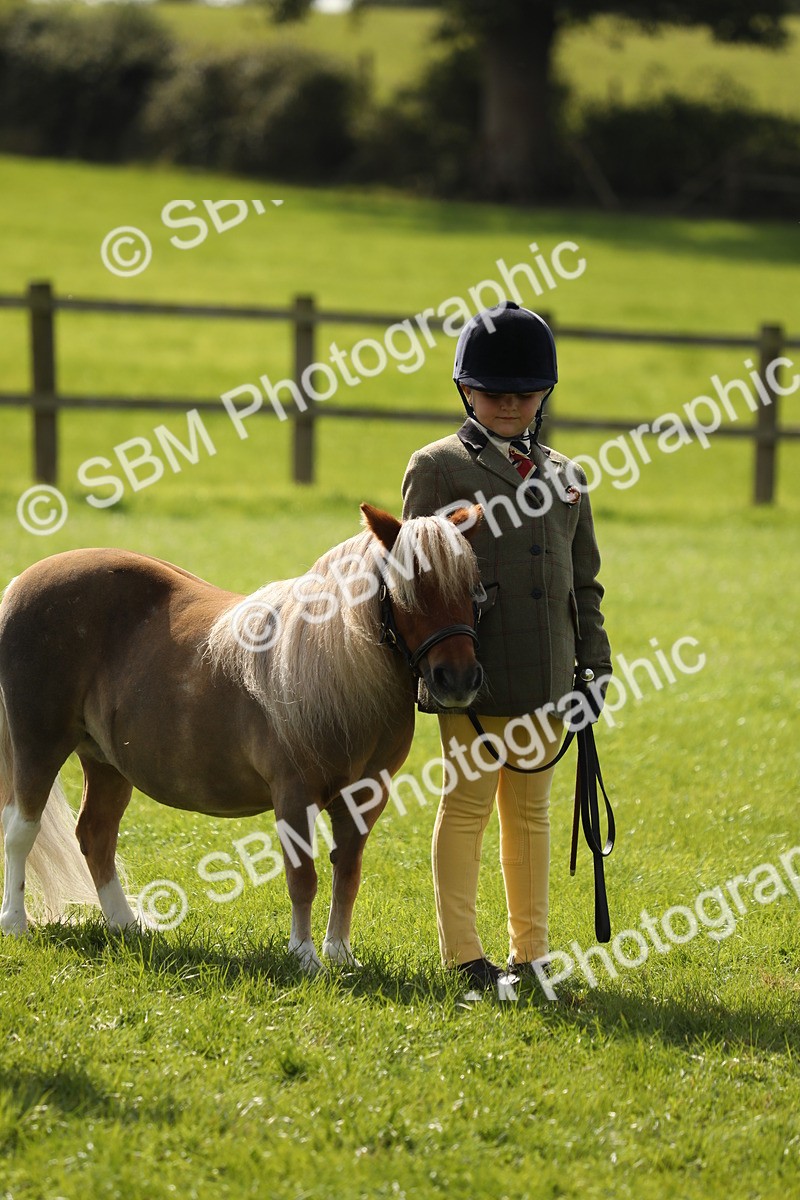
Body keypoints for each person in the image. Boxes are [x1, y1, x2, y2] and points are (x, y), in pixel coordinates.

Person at [401, 300, 612, 992]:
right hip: (473, 674)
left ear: (544, 394)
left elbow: (585, 583)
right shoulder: (436, 469)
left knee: (530, 811)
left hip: (549, 675)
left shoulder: (566, 477)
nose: (511, 405)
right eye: (495, 393)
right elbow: (417, 579)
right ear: (465, 390)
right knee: (466, 804)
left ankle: (532, 955)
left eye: (525, 394)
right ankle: (465, 957)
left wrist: (595, 663)